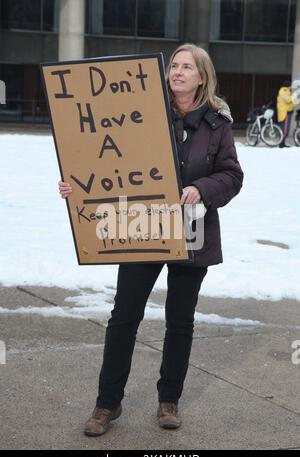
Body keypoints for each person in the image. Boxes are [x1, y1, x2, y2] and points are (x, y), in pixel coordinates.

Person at [58, 43, 243, 436]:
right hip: (142, 226)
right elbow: (100, 156)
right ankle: (107, 404)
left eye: (186, 67)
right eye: (173, 65)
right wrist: (77, 183)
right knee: (124, 317)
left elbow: (232, 175)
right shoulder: (139, 112)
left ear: (201, 76)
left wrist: (202, 189)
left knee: (180, 321)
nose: (177, 72)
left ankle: (168, 401)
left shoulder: (216, 124)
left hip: (192, 230)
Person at [277, 80, 296, 148]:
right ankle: (281, 144)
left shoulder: (287, 91)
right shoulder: (283, 91)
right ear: (288, 85)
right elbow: (288, 100)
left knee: (286, 128)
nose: (291, 87)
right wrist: (294, 95)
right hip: (284, 112)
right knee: (285, 128)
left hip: (288, 112)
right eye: (290, 85)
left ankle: (283, 143)